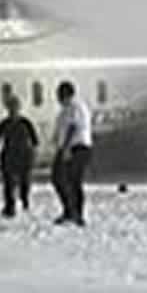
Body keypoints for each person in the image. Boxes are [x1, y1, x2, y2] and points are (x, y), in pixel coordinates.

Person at [0, 91, 39, 218]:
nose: (13, 110)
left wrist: (35, 155)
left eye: (15, 107)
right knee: (8, 182)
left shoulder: (26, 123)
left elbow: (35, 141)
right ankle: (10, 206)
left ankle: (24, 199)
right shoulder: (3, 124)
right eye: (11, 107)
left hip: (25, 155)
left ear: (19, 108)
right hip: (9, 156)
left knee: (25, 181)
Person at [50, 81, 94, 225]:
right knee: (58, 179)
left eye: (59, 94)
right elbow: (61, 129)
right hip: (65, 148)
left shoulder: (76, 107)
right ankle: (69, 210)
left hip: (77, 148)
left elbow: (73, 128)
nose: (57, 98)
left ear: (66, 94)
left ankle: (77, 213)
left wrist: (66, 148)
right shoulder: (64, 110)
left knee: (74, 181)